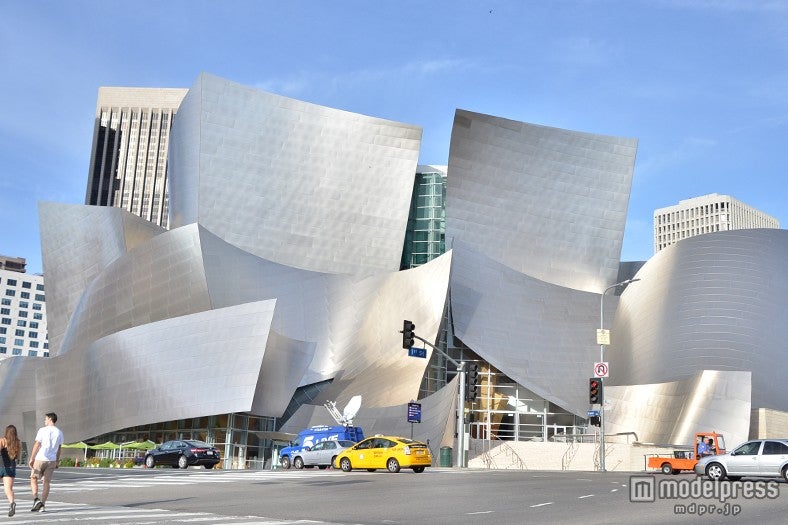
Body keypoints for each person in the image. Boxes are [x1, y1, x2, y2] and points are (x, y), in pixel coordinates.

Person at [28, 412, 64, 513]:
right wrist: (57, 461)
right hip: (51, 460)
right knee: (46, 483)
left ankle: (36, 499)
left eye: (45, 419)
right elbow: (59, 448)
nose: (44, 420)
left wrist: (32, 458)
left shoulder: (42, 430)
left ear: (50, 419)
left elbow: (37, 444)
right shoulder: (59, 432)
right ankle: (43, 505)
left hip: (40, 458)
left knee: (33, 478)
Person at [0, 425, 21, 517]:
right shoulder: (18, 443)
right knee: (8, 489)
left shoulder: (2, 440)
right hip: (11, 468)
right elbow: (18, 457)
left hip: (1, 466)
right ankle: (12, 503)